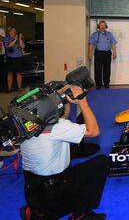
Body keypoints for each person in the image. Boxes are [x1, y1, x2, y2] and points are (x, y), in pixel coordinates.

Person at [20, 86, 109, 220]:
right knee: (101, 162)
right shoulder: (57, 127)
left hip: (33, 190)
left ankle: (34, 211)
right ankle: (79, 214)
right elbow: (93, 131)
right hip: (53, 195)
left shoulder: (21, 125)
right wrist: (82, 101)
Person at [88, 21, 117, 89]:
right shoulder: (95, 34)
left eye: (104, 25)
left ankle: (106, 84)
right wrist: (90, 54)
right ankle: (98, 85)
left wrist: (114, 53)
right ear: (98, 26)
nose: (102, 27)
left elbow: (113, 44)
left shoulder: (109, 34)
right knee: (98, 70)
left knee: (107, 69)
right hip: (98, 54)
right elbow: (91, 44)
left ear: (106, 26)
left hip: (107, 53)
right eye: (101, 25)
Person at [4, 27, 25, 92]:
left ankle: (20, 88)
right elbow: (9, 46)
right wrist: (15, 39)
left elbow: (23, 46)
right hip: (11, 58)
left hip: (19, 58)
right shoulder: (7, 38)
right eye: (12, 30)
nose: (14, 31)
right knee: (10, 73)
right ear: (9, 32)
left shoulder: (19, 38)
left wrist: (19, 39)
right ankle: (9, 88)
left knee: (19, 73)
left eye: (15, 30)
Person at [0, 27, 6, 91]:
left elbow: (3, 40)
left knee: (2, 71)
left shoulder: (1, 30)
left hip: (1, 53)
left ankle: (2, 87)